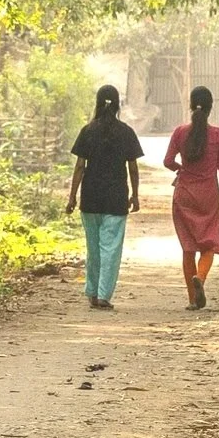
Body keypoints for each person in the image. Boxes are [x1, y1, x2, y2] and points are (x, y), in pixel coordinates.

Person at [64, 84, 142, 310]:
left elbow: (79, 167)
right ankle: (103, 295)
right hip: (116, 199)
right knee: (111, 248)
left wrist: (72, 197)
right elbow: (133, 168)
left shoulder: (87, 131)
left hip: (91, 198)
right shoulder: (126, 132)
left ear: (98, 103)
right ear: (118, 105)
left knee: (94, 247)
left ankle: (91, 291)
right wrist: (135, 195)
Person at [164, 85, 219, 309]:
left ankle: (193, 299)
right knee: (209, 242)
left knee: (188, 247)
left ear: (191, 106)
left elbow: (167, 161)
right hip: (208, 194)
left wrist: (180, 168)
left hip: (184, 194)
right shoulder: (218, 135)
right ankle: (200, 278)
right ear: (211, 108)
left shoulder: (180, 132)